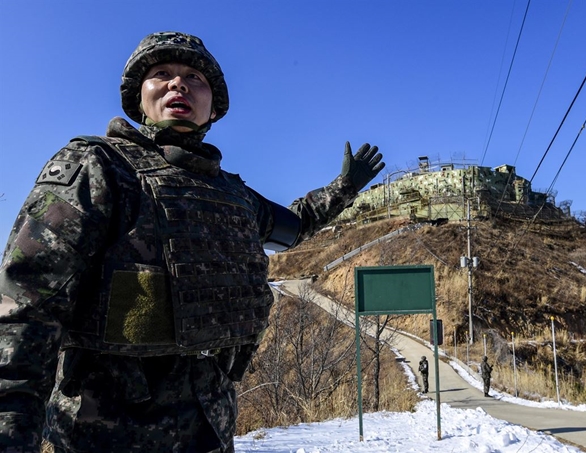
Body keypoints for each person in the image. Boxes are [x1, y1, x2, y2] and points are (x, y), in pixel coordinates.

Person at [0, 31, 384, 453]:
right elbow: (24, 310)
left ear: (214, 107)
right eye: (161, 74)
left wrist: (345, 187)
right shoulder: (97, 169)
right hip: (102, 438)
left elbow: (294, 226)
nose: (178, 84)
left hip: (211, 434)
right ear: (138, 97)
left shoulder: (233, 195)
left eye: (194, 77)